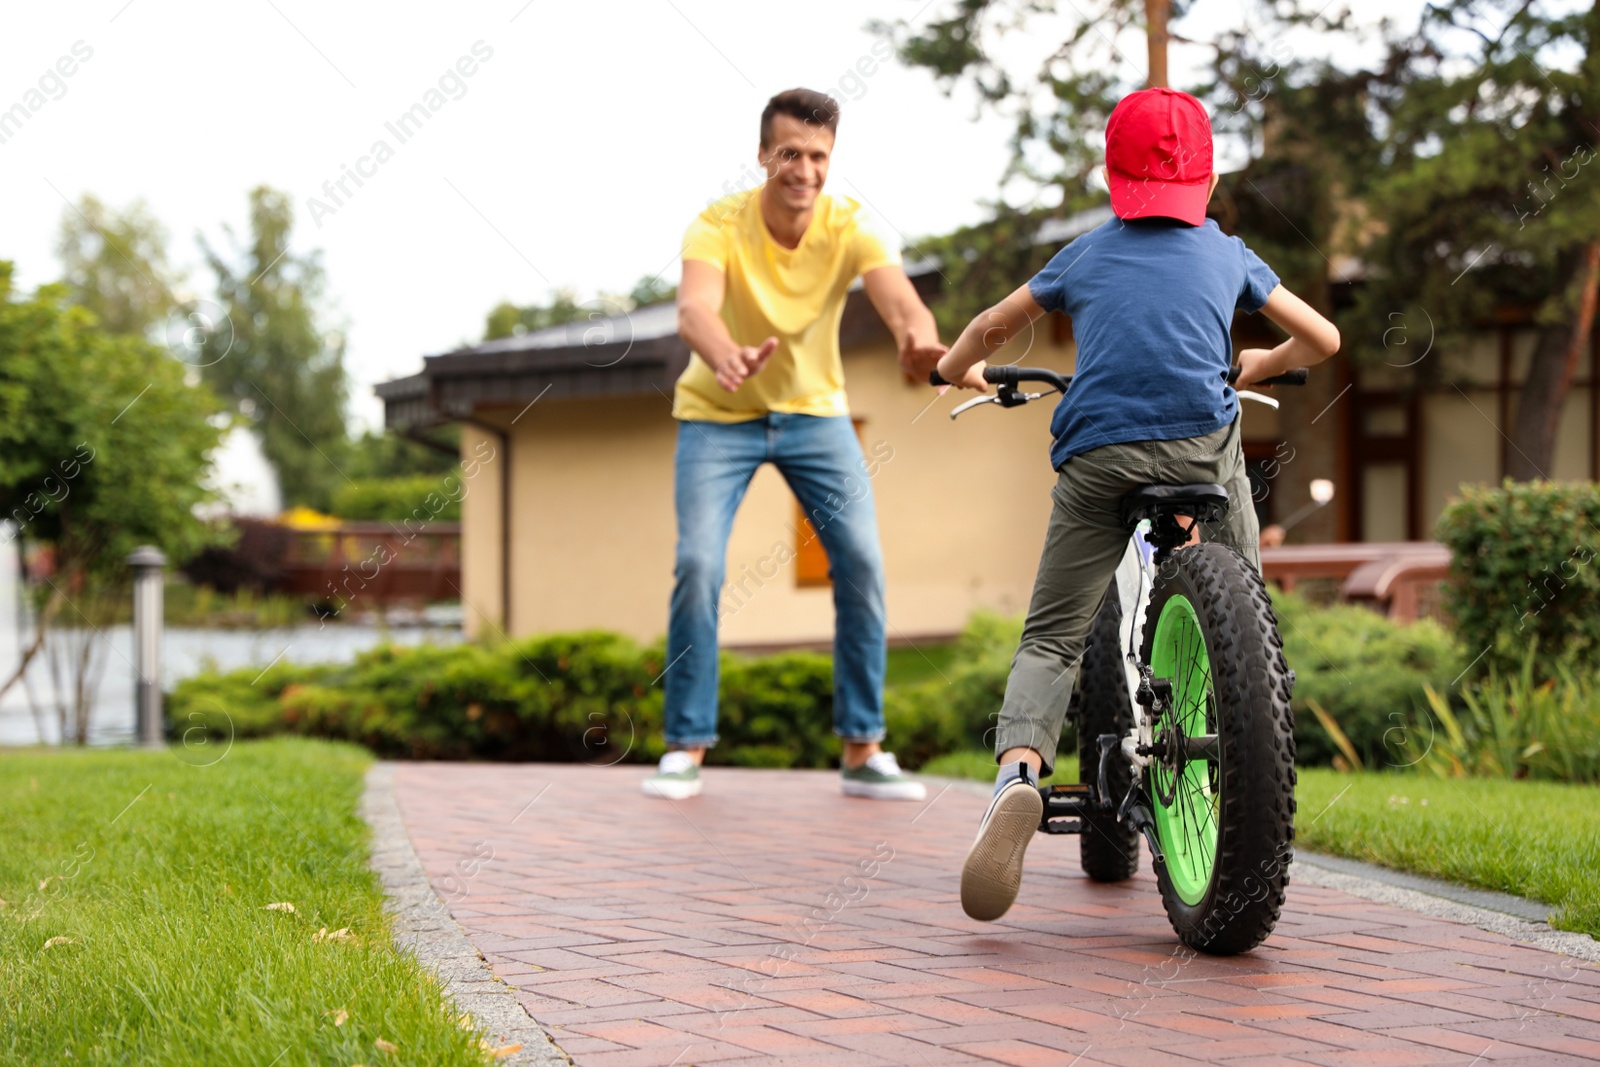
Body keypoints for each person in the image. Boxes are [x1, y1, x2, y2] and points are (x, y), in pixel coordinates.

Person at [932, 87, 1340, 920]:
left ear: (1113, 174)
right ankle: (1254, 671)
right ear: (1207, 175)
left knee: (1051, 633)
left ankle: (1018, 776)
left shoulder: (1083, 255)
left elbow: (990, 325)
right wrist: (1255, 364)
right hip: (1200, 442)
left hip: (1098, 456)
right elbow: (1324, 339)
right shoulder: (1227, 252)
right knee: (1240, 574)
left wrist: (955, 368)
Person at [643, 88, 946, 802]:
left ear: (829, 159)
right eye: (789, 153)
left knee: (863, 562)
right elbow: (693, 307)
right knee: (698, 562)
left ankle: (863, 748)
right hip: (719, 414)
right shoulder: (717, 223)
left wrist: (921, 342)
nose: (803, 169)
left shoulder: (849, 226)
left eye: (817, 156)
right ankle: (685, 747)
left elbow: (901, 301)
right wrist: (724, 354)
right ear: (763, 155)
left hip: (815, 415)